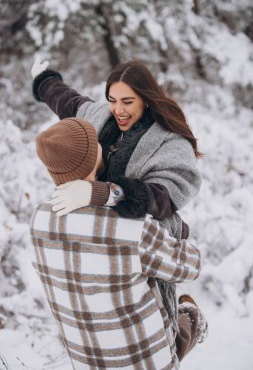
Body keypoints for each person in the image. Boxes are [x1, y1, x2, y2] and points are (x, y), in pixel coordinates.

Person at [31, 56, 202, 337]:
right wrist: (44, 80)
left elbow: (161, 198)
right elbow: (69, 103)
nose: (118, 109)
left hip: (143, 242)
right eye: (112, 99)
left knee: (151, 321)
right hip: (100, 237)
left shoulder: (169, 142)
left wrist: (99, 192)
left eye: (127, 101)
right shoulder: (102, 118)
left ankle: (185, 330)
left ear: (146, 98)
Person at [31, 117, 205, 369]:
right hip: (145, 361)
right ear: (93, 158)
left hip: (85, 361)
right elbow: (190, 266)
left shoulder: (39, 220)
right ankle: (193, 320)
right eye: (97, 144)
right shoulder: (129, 229)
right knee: (187, 315)